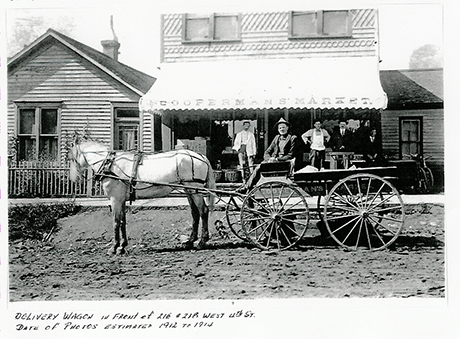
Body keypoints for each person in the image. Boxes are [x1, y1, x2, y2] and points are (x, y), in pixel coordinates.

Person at [236, 118, 298, 193]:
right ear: (278, 129)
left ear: (287, 128)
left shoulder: (292, 138)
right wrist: (269, 159)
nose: (282, 129)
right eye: (280, 128)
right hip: (273, 162)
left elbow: (290, 155)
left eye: (283, 127)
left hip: (283, 163)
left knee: (259, 167)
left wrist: (277, 159)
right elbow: (267, 151)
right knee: (256, 167)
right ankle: (249, 189)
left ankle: (247, 187)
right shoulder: (276, 138)